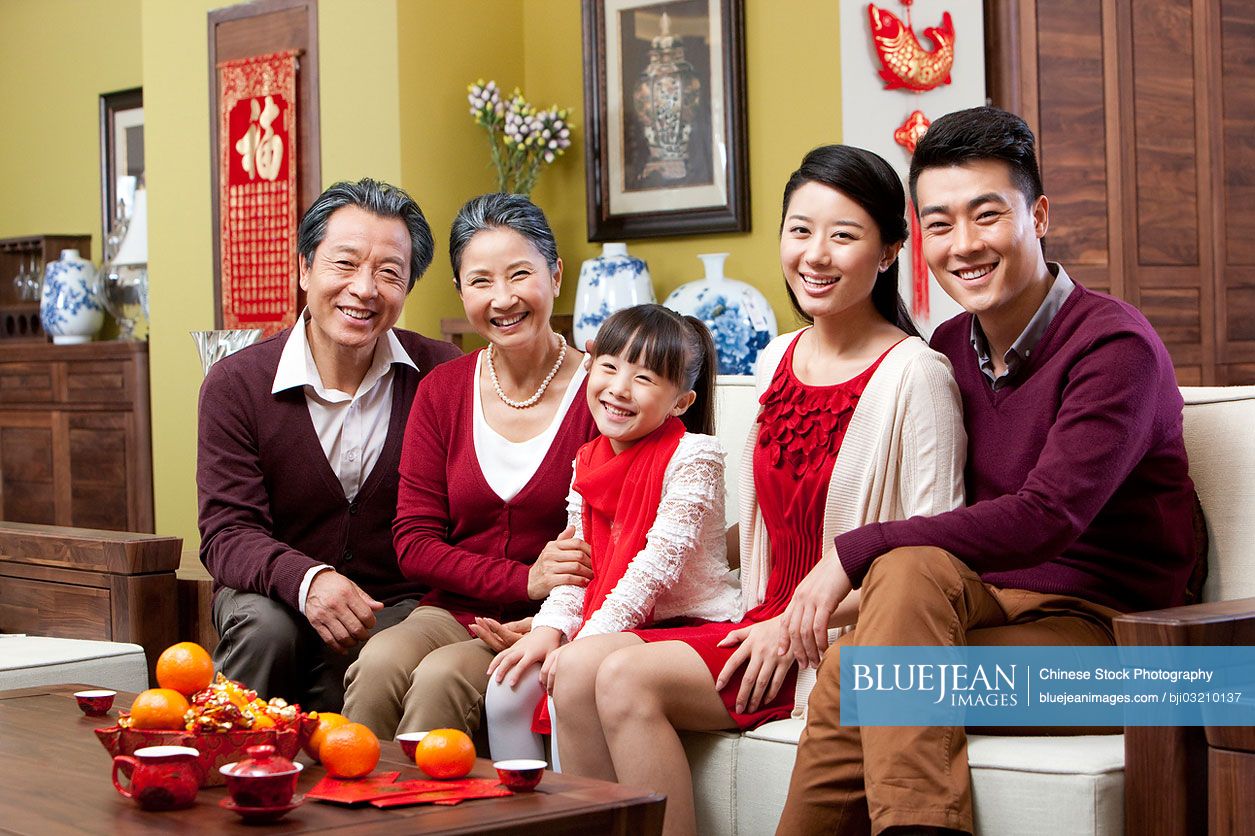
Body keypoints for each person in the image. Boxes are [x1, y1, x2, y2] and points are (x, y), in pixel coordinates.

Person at [775, 107, 1199, 835]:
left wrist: (851, 552)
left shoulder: (1113, 346)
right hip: (995, 612)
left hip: (1116, 647)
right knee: (894, 599)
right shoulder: (945, 345)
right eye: (938, 224)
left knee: (866, 658)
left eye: (986, 216)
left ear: (1036, 214)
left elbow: (1046, 515)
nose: (962, 245)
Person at [551, 145, 967, 836]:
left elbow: (933, 567)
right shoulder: (774, 357)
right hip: (755, 618)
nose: (815, 255)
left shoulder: (915, 376)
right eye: (800, 230)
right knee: (574, 669)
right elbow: (750, 532)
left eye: (843, 235)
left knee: (624, 678)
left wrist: (801, 623)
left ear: (890, 251)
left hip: (832, 638)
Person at [341, 193, 599, 739]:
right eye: (480, 281)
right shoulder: (443, 391)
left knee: (440, 680)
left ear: (555, 275)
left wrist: (547, 611)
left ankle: (433, 821)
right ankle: (354, 814)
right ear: (460, 291)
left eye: (520, 274)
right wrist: (524, 578)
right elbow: (413, 541)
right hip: (449, 610)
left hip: (559, 619)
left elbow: (628, 533)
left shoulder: (602, 391)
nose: (502, 299)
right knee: (377, 664)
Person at [198, 178, 461, 711]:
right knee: (266, 629)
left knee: (386, 642)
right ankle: (231, 766)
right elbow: (227, 532)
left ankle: (368, 787)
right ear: (304, 269)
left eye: (390, 272)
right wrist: (308, 580)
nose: (365, 288)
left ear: (407, 287)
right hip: (269, 594)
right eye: (344, 263)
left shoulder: (444, 374)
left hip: (397, 600)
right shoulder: (235, 384)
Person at [483, 305, 741, 765]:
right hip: (616, 626)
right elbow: (579, 568)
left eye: (644, 378)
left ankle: (590, 816)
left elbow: (654, 569)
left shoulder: (696, 456)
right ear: (590, 366)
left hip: (691, 629)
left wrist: (584, 642)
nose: (619, 388)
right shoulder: (587, 459)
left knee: (574, 675)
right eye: (610, 366)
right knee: (508, 686)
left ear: (681, 402)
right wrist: (549, 629)